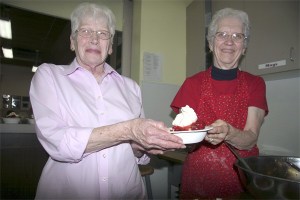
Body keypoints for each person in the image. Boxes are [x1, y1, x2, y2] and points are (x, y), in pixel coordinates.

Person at [30, 3, 185, 199]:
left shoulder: (131, 88)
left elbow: (137, 156)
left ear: (110, 46)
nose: (94, 39)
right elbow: (58, 143)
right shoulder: (49, 76)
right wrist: (129, 129)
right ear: (72, 41)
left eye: (103, 33)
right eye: (85, 31)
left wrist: (140, 147)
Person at [171, 8, 268, 199]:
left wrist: (229, 133)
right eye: (222, 34)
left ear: (244, 45)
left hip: (241, 183)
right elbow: (185, 138)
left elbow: (251, 138)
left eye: (237, 36)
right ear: (210, 42)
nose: (229, 41)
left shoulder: (255, 83)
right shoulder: (192, 84)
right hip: (198, 180)